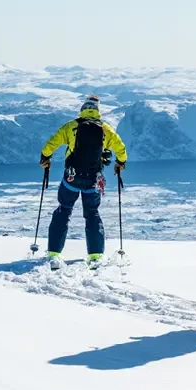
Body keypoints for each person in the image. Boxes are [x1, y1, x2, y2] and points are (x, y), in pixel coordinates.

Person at [39, 95, 127, 268]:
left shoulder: (71, 126)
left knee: (63, 211)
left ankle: (54, 254)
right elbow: (121, 149)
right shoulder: (106, 130)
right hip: (93, 181)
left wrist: (45, 158)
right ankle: (95, 256)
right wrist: (120, 163)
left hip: (71, 178)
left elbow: (51, 143)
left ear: (82, 109)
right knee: (92, 214)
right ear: (97, 112)